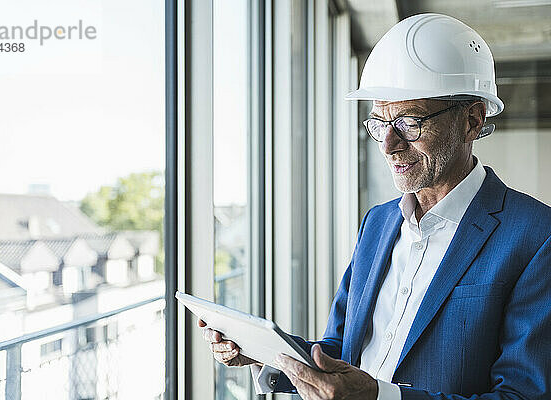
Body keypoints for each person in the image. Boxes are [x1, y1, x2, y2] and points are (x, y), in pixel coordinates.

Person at [199, 13, 551, 400]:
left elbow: (522, 395)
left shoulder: (535, 236)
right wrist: (268, 355)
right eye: (380, 123)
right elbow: (341, 351)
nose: (388, 145)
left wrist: (380, 397)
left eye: (409, 122)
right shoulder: (378, 223)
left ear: (471, 120)